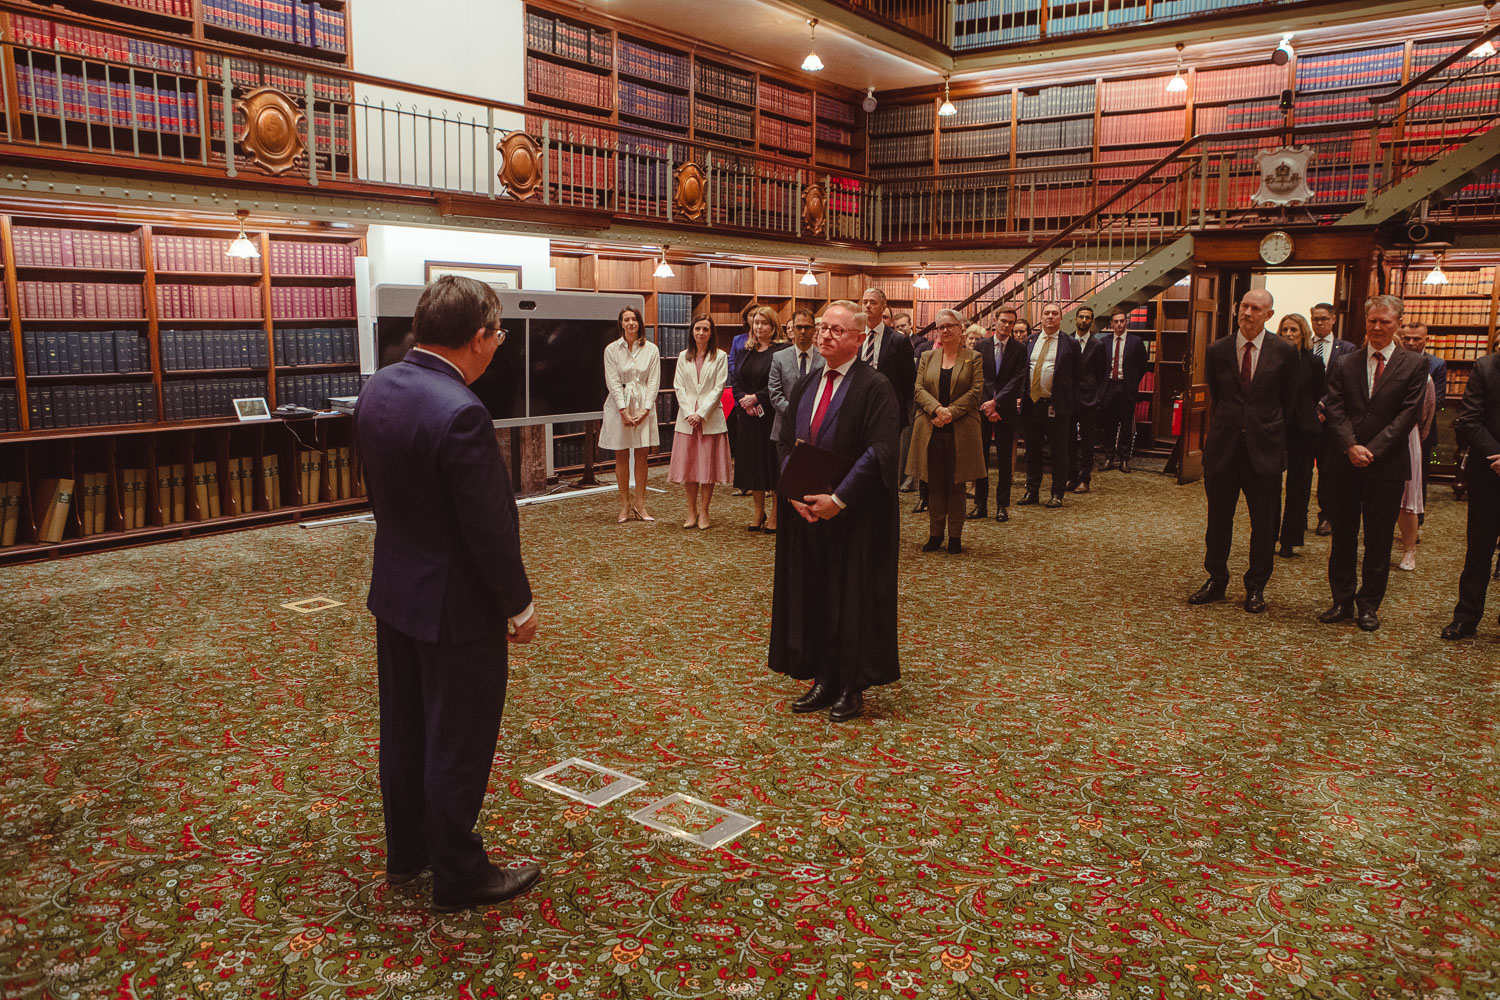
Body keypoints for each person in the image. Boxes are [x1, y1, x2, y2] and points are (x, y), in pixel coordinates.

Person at [354, 275, 540, 914]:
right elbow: (488, 526)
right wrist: (518, 605)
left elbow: (379, 496)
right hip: (457, 606)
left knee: (405, 728)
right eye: (499, 333)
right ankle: (459, 872)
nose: (499, 344)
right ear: (479, 337)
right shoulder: (461, 411)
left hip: (396, 590)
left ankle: (408, 852)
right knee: (457, 738)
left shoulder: (379, 386)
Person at [770, 300, 901, 723]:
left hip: (855, 517)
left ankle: (850, 685)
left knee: (851, 599)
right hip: (807, 514)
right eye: (822, 328)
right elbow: (788, 443)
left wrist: (838, 500)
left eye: (836, 330)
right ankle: (822, 677)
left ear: (859, 339)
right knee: (815, 596)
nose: (824, 335)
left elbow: (879, 452)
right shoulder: (806, 384)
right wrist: (792, 493)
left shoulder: (875, 386)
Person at [1320, 294, 1429, 632]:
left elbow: (1408, 413)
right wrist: (1351, 446)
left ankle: (1368, 605)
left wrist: (1372, 449)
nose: (1378, 327)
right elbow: (1334, 409)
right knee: (1343, 536)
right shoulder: (1344, 362)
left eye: (1385, 321)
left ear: (1398, 323)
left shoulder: (1413, 364)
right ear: (1365, 322)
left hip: (1387, 465)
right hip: (1345, 462)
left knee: (1379, 538)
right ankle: (1341, 599)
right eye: (1372, 321)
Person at [1188, 288, 1298, 615]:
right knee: (1218, 521)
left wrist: (1264, 427)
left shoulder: (1285, 351)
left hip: (1264, 451)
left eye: (1256, 308)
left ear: (1269, 315)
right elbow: (1218, 396)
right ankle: (1216, 579)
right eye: (1244, 306)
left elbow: (1288, 401)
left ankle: (1256, 586)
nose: (1248, 313)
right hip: (1224, 449)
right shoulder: (1217, 349)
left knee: (1264, 525)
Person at [908, 309, 985, 554]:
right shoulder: (927, 356)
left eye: (950, 326)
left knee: (956, 485)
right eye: (941, 327)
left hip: (960, 429)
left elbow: (975, 391)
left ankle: (955, 537)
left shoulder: (974, 357)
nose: (945, 331)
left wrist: (950, 412)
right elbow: (918, 388)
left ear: (961, 328)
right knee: (934, 484)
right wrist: (937, 410)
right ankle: (935, 534)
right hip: (931, 427)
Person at [1441, 350, 1500, 639]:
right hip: (1489, 471)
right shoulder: (1485, 367)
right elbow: (1470, 418)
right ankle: (1466, 616)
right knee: (1479, 549)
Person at [599, 306, 661, 523]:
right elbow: (613, 382)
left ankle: (640, 504)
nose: (630, 323)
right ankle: (625, 504)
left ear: (639, 323)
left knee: (642, 455)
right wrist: (623, 411)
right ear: (621, 324)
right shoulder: (611, 350)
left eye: (634, 319)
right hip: (620, 405)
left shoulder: (652, 349)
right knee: (622, 455)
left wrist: (646, 409)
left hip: (644, 403)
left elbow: (653, 382)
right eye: (626, 319)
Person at [669, 316, 731, 530]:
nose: (701, 333)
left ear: (711, 333)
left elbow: (719, 387)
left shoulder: (720, 356)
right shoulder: (683, 356)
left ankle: (704, 510)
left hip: (710, 418)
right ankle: (691, 510)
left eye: (705, 329)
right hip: (687, 420)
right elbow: (679, 387)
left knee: (707, 468)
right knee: (690, 466)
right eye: (698, 328)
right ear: (692, 331)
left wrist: (701, 414)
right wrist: (689, 413)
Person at [1019, 302, 1080, 509]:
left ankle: (1057, 493)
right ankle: (1032, 490)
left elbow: (1077, 376)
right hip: (1032, 404)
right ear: (1041, 317)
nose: (1050, 317)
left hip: (1057, 406)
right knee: (1032, 450)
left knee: (1059, 451)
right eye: (1046, 313)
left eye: (1055, 313)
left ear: (1061, 318)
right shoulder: (1030, 341)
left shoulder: (1070, 344)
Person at [731, 305, 787, 534]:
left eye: (764, 323)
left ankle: (775, 514)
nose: (759, 327)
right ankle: (757, 511)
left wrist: (758, 398)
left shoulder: (782, 351)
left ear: (773, 327)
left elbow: (780, 383)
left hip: (770, 417)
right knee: (752, 466)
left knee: (771, 466)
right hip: (748, 418)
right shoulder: (745, 351)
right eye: (756, 323)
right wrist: (744, 399)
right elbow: (736, 379)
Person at [1275, 313, 1324, 558]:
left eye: (1294, 330)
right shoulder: (1273, 359)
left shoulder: (1313, 362)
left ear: (1303, 333)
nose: (1288, 334)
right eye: (1284, 330)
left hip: (1304, 430)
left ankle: (1289, 540)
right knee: (1271, 484)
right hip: (1276, 428)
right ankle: (1269, 535)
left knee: (1299, 486)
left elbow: (1317, 393)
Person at [973, 306, 1028, 522]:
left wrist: (996, 402)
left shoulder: (1019, 349)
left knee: (1005, 459)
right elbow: (977, 377)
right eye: (1003, 321)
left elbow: (1017, 379)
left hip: (1004, 410)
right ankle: (980, 504)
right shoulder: (981, 345)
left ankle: (1002, 506)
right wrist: (988, 405)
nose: (1006, 326)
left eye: (1011, 323)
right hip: (983, 409)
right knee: (981, 458)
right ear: (994, 321)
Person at [1309, 302, 1357, 536]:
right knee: (1301, 469)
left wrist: (1323, 405)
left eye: (1323, 319)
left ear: (1333, 319)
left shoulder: (1346, 349)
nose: (1319, 323)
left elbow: (1344, 384)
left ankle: (1326, 516)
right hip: (1305, 419)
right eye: (1315, 319)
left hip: (1332, 420)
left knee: (1328, 471)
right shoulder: (1304, 346)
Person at [1399, 320, 1447, 506]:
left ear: (1426, 340)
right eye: (1407, 338)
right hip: (1395, 428)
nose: (1411, 343)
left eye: (1416, 339)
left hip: (1422, 429)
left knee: (1419, 478)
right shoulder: (1394, 360)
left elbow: (1440, 399)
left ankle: (1416, 521)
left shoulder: (1436, 364)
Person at [1097, 308, 1149, 473]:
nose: (1119, 324)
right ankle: (1108, 458)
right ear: (1111, 324)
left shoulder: (1136, 341)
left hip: (1126, 387)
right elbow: (1099, 367)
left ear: (1126, 322)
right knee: (1108, 424)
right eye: (1116, 321)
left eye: (1122, 321)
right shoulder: (1103, 342)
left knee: (1126, 424)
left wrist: (1133, 383)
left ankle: (1124, 459)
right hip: (1109, 387)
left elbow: (1143, 366)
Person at [1395, 372, 1437, 571]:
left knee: (1408, 497)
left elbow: (1427, 411)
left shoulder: (1421, 375)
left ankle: (1409, 550)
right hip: (1373, 434)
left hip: (1407, 436)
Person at [769, 308, 824, 448]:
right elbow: (775, 393)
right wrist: (795, 414)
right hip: (785, 428)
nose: (803, 332)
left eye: (807, 327)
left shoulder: (825, 359)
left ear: (814, 330)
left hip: (816, 428)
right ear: (793, 329)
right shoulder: (779, 358)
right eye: (799, 327)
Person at [1067, 306, 1105, 494]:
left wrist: (1097, 395)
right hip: (1069, 398)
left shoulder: (1097, 345)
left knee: (1087, 440)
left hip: (1089, 398)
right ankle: (1071, 476)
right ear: (1075, 319)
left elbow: (1101, 373)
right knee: (1069, 439)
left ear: (1092, 321)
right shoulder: (1067, 341)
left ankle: (1085, 478)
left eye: (1087, 318)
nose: (1084, 320)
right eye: (1081, 317)